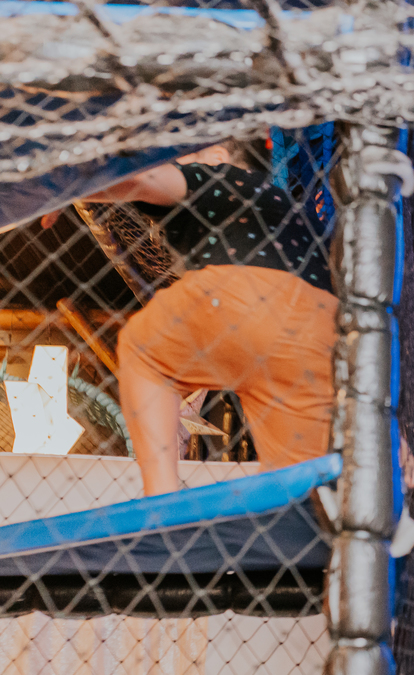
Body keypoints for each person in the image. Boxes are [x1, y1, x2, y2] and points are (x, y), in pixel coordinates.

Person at [76, 140, 336, 496]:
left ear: (217, 155)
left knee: (145, 353)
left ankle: (161, 498)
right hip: (319, 334)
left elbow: (144, 179)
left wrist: (62, 188)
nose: (175, 163)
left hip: (242, 293)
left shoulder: (222, 176)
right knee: (299, 480)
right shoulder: (291, 212)